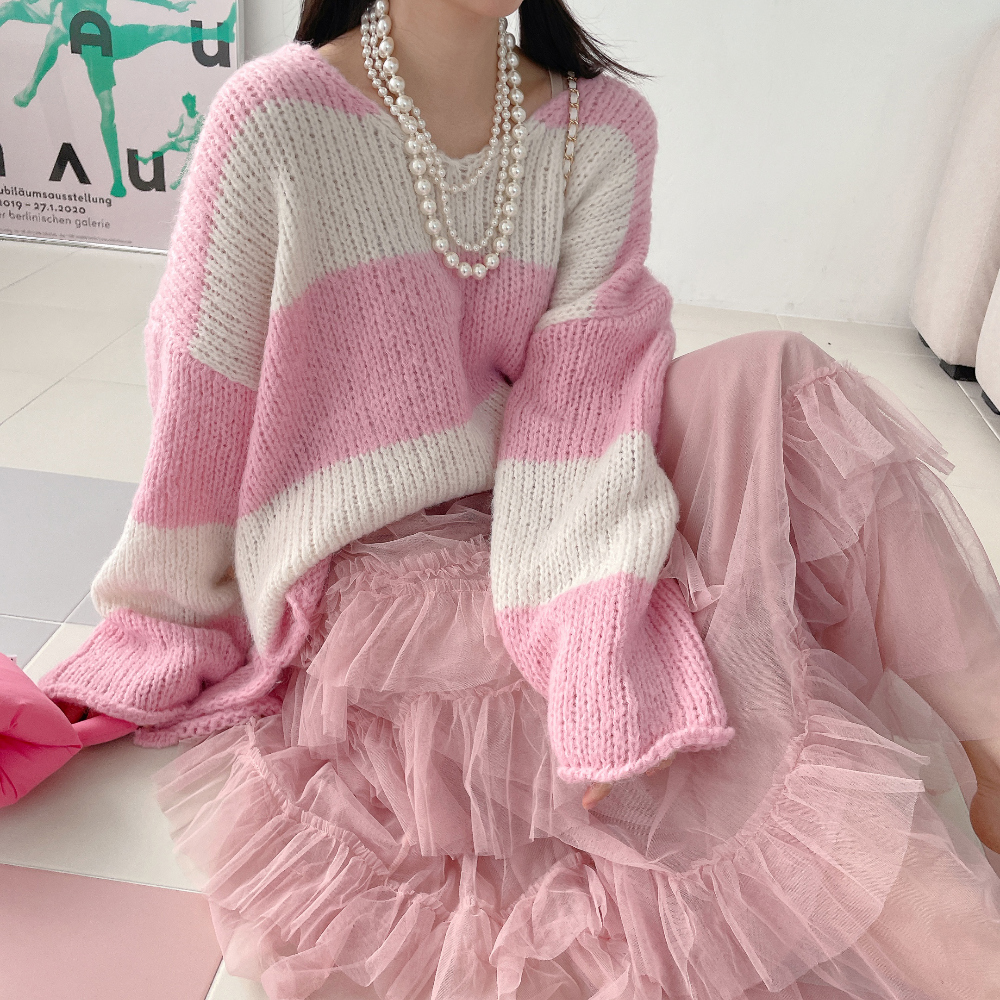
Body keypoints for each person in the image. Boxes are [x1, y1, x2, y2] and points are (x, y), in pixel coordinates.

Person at [38, 1, 1000, 997]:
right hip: (379, 546)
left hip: (563, 475)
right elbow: (203, 391)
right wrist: (168, 613)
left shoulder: (602, 126)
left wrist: (589, 601)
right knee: (714, 712)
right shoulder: (274, 116)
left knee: (786, 378)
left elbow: (588, 381)